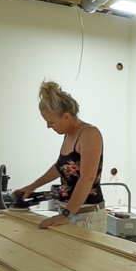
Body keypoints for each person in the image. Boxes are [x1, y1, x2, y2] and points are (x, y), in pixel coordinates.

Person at [17, 81, 106, 232]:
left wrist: (66, 215)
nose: (48, 126)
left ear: (66, 117)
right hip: (69, 213)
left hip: (86, 216)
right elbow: (60, 167)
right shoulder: (69, 135)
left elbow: (88, 178)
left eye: (51, 122)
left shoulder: (89, 134)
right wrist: (32, 187)